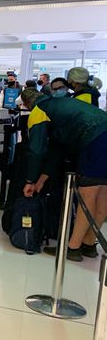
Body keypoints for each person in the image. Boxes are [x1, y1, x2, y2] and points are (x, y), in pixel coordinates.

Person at [21, 87, 107, 261]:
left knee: (87, 195)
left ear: (27, 104)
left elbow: (36, 150)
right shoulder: (60, 106)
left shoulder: (38, 111)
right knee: (103, 193)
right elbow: (57, 151)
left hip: (94, 139)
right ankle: (89, 243)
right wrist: (41, 180)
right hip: (102, 132)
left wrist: (29, 180)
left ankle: (73, 247)